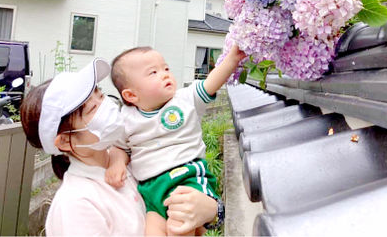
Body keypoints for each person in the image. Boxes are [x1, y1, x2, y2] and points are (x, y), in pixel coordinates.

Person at [20, 58, 218, 236]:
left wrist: (214, 210)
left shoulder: (135, 157)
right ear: (64, 142)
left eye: (100, 94)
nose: (105, 104)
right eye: (92, 109)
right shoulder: (76, 205)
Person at [107, 45, 245, 235]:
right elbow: (119, 147)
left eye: (166, 69)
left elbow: (210, 83)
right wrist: (116, 163)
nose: (165, 75)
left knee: (180, 226)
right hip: (151, 190)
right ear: (131, 95)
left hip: (185, 177)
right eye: (153, 72)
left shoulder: (184, 100)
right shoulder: (126, 119)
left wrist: (231, 60)